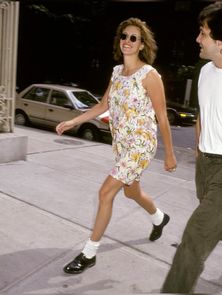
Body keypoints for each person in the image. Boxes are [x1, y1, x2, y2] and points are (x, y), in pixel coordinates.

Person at [56, 17, 177, 275]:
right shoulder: (116, 73)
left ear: (142, 44)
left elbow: (163, 117)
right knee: (131, 192)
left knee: (105, 193)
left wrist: (170, 154)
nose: (127, 41)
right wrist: (73, 121)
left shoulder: (150, 75)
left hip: (141, 144)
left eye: (134, 38)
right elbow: (103, 106)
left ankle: (89, 253)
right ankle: (159, 217)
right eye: (124, 36)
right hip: (122, 144)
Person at [161, 1, 222, 293]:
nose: (197, 39)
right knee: (214, 223)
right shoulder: (204, 71)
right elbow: (203, 113)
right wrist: (199, 148)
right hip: (205, 163)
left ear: (221, 41)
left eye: (202, 33)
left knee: (195, 236)